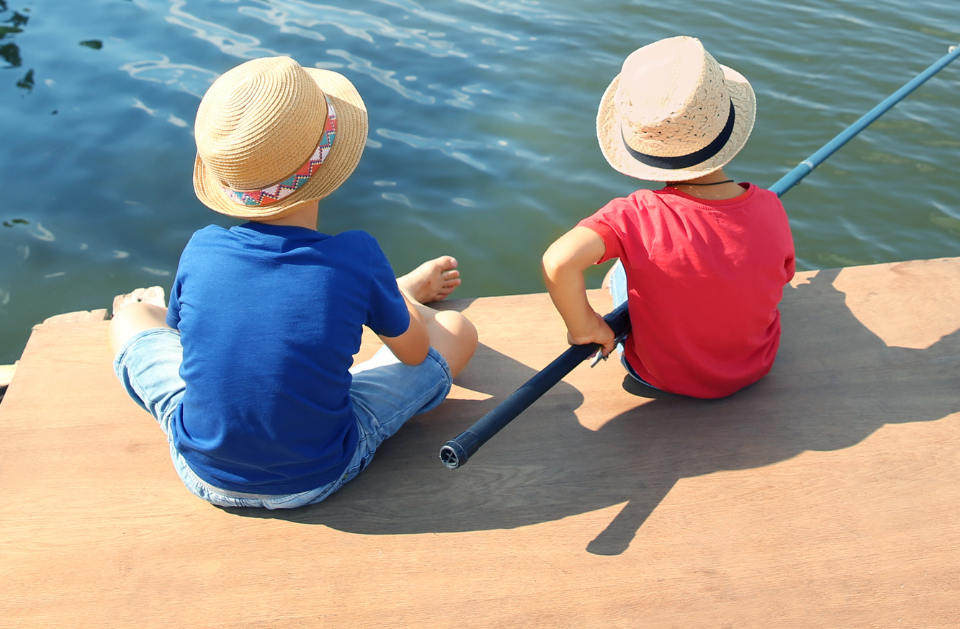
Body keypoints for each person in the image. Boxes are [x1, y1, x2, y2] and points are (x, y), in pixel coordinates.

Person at [109, 55, 477, 509]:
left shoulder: (201, 248)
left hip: (201, 468)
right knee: (458, 331)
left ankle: (388, 298)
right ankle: (396, 296)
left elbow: (182, 338)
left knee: (133, 316)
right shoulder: (355, 256)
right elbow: (415, 353)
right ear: (330, 167)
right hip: (314, 474)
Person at [541, 36, 794, 397]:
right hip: (756, 366)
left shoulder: (634, 216)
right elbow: (780, 276)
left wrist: (586, 329)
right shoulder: (770, 205)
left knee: (619, 271)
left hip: (657, 376)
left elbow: (559, 262)